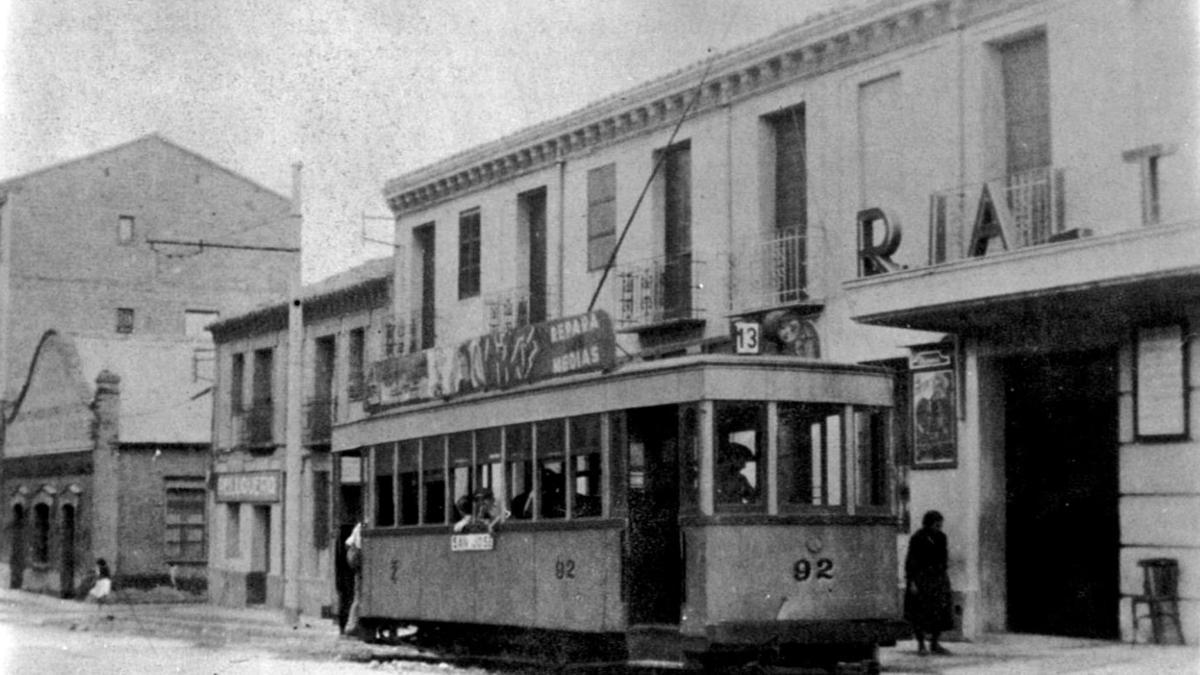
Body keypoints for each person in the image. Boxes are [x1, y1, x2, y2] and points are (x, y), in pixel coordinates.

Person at [904, 510, 954, 656]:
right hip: (921, 579)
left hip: (938, 579)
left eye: (940, 525)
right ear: (929, 524)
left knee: (940, 611)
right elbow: (911, 560)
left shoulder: (941, 537)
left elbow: (944, 557)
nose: (939, 528)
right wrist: (911, 581)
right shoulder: (917, 538)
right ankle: (921, 644)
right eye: (936, 525)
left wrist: (942, 574)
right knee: (920, 612)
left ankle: (935, 643)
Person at [343, 521, 363, 637]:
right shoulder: (361, 527)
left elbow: (348, 544)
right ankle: (351, 626)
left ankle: (351, 626)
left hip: (358, 565)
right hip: (361, 565)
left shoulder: (358, 526)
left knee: (358, 596)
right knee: (359, 596)